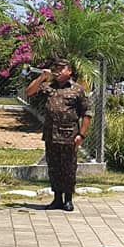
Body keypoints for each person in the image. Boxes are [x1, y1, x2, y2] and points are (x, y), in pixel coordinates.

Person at [26, 60, 91, 212]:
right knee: (54, 167)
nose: (58, 71)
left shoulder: (77, 90)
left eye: (62, 69)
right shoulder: (48, 87)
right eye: (56, 69)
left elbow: (87, 113)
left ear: (69, 71)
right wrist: (42, 77)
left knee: (68, 167)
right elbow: (29, 92)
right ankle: (57, 198)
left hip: (69, 135)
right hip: (51, 135)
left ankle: (68, 199)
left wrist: (81, 134)